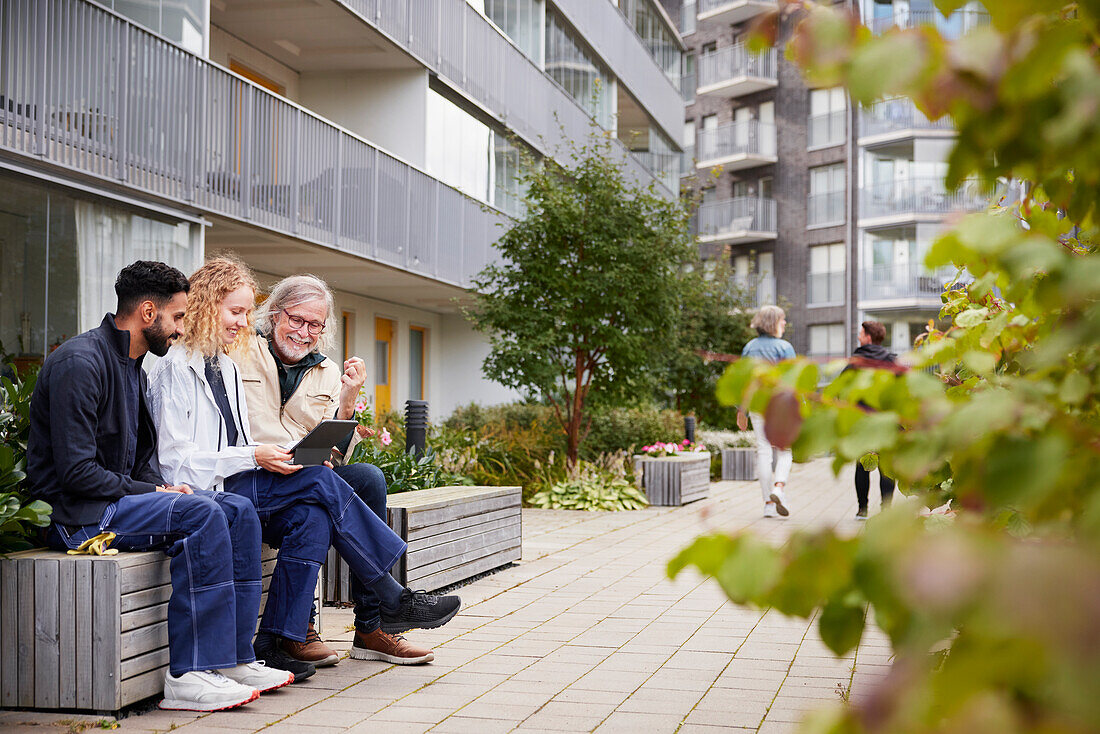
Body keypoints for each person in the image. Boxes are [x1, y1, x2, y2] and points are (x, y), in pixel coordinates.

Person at [146, 257, 460, 681]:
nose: (242, 322)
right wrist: (258, 455)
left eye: (244, 313)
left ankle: (274, 641)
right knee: (318, 481)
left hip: (258, 474)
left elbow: (281, 443)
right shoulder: (194, 365)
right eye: (236, 312)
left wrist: (341, 405)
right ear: (206, 305)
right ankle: (390, 596)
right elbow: (178, 462)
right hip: (217, 487)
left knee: (319, 509)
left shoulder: (226, 366)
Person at [27, 261, 292, 712]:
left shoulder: (133, 365)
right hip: (79, 517)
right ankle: (188, 674)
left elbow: (140, 460)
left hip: (115, 501)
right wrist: (151, 493)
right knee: (203, 514)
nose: (182, 328)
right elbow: (76, 475)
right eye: (178, 317)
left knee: (236, 509)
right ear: (148, 312)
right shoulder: (80, 362)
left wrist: (161, 487)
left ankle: (232, 658)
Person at [234, 274, 434, 666]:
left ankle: (371, 628)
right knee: (320, 496)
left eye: (315, 325)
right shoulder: (240, 351)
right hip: (254, 478)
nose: (305, 332)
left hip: (305, 479)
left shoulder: (327, 371)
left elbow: (334, 457)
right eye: (296, 320)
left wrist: (347, 402)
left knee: (367, 479)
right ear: (274, 314)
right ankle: (385, 601)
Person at [737, 305, 797, 518]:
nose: (784, 324)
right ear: (773, 323)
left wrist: (741, 411)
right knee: (784, 450)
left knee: (763, 451)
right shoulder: (784, 347)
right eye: (782, 320)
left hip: (756, 404)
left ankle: (768, 505)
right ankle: (778, 488)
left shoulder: (749, 348)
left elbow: (744, 381)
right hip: (779, 405)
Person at [848, 321, 898, 520]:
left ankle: (862, 509)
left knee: (862, 466)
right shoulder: (891, 360)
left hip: (862, 422)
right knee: (887, 467)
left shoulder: (856, 361)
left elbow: (843, 390)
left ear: (869, 337)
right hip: (886, 422)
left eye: (861, 333)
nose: (859, 336)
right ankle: (886, 511)